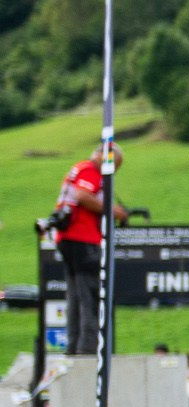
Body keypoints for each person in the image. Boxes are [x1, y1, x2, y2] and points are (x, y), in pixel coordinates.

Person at [51, 144, 128, 358]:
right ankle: (87, 348)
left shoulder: (80, 168)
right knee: (90, 294)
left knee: (75, 295)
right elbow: (84, 196)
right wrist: (113, 211)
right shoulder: (90, 170)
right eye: (114, 166)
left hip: (69, 239)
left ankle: (75, 346)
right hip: (82, 239)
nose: (112, 172)